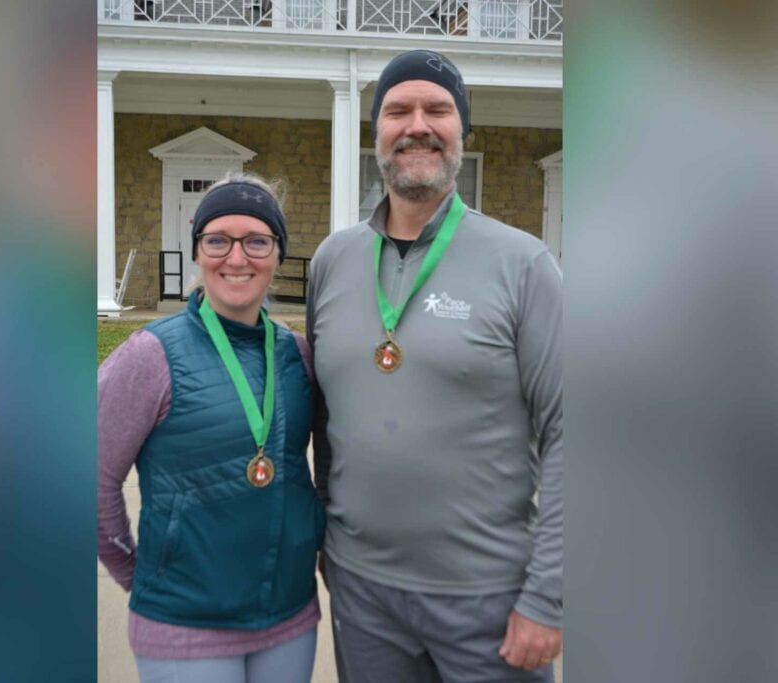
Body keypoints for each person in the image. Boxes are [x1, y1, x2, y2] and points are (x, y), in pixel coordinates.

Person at [307, 49, 563, 682]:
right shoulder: (331, 262)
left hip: (490, 600)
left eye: (437, 109)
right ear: (376, 134)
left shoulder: (523, 265)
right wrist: (327, 551)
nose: (416, 124)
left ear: (462, 131)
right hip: (364, 594)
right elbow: (322, 422)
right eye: (397, 110)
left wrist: (550, 595)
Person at [98, 173, 325, 683]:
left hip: (288, 616)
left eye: (257, 241)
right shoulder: (150, 354)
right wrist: (140, 575)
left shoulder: (298, 355)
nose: (237, 258)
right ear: (198, 250)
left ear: (278, 254)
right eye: (218, 240)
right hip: (184, 625)